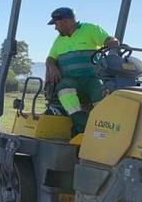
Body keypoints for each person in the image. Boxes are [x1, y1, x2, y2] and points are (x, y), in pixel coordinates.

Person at [45, 7, 119, 135]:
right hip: (71, 81)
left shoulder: (90, 29)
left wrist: (112, 42)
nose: (55, 28)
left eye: (56, 24)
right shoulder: (59, 40)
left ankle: (105, 132)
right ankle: (83, 127)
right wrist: (52, 66)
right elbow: (51, 58)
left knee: (101, 97)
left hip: (92, 79)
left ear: (65, 21)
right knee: (64, 89)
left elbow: (109, 40)